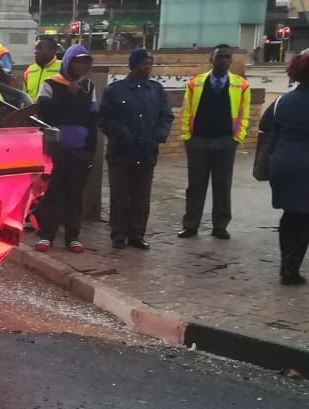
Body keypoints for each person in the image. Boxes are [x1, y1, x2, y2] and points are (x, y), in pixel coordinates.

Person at [99, 48, 172, 249]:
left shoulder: (156, 90)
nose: (147, 67)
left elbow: (166, 116)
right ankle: (118, 234)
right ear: (133, 65)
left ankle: (137, 234)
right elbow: (104, 119)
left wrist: (158, 136)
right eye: (143, 63)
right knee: (120, 196)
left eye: (150, 63)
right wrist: (122, 134)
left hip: (146, 151)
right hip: (121, 153)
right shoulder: (115, 90)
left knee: (141, 197)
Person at [177, 44, 249, 240]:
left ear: (231, 60)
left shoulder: (241, 85)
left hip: (225, 142)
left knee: (222, 186)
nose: (223, 60)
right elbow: (187, 112)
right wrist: (187, 138)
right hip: (198, 142)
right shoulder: (195, 83)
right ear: (211, 59)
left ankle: (220, 226)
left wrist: (236, 139)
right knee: (195, 187)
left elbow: (244, 115)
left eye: (227, 57)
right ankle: (190, 225)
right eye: (220, 57)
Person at [34, 44, 98, 253]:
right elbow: (43, 112)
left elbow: (92, 119)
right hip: (55, 150)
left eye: (84, 62)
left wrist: (90, 151)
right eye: (76, 62)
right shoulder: (51, 84)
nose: (79, 66)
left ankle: (73, 236)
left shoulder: (88, 88)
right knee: (52, 194)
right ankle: (46, 235)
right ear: (68, 62)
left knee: (74, 195)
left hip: (79, 151)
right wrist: (67, 95)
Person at [259, 51, 309, 285]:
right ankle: (292, 269)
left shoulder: (281, 101)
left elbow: (265, 125)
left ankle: (286, 264)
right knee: (304, 218)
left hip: (283, 165)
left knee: (290, 214)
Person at [21, 36, 61, 102]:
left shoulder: (63, 68)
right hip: (32, 111)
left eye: (40, 48)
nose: (35, 51)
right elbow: (24, 96)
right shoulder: (29, 70)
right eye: (35, 48)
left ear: (52, 50)